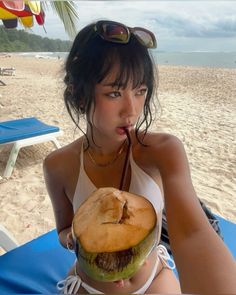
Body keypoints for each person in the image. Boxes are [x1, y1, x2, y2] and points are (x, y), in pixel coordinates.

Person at [43, 20, 236, 294]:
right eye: (114, 93)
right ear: (80, 95)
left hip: (153, 280)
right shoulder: (58, 164)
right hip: (88, 285)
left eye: (140, 91)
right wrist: (76, 239)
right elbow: (63, 229)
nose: (131, 110)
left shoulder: (161, 151)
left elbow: (194, 235)